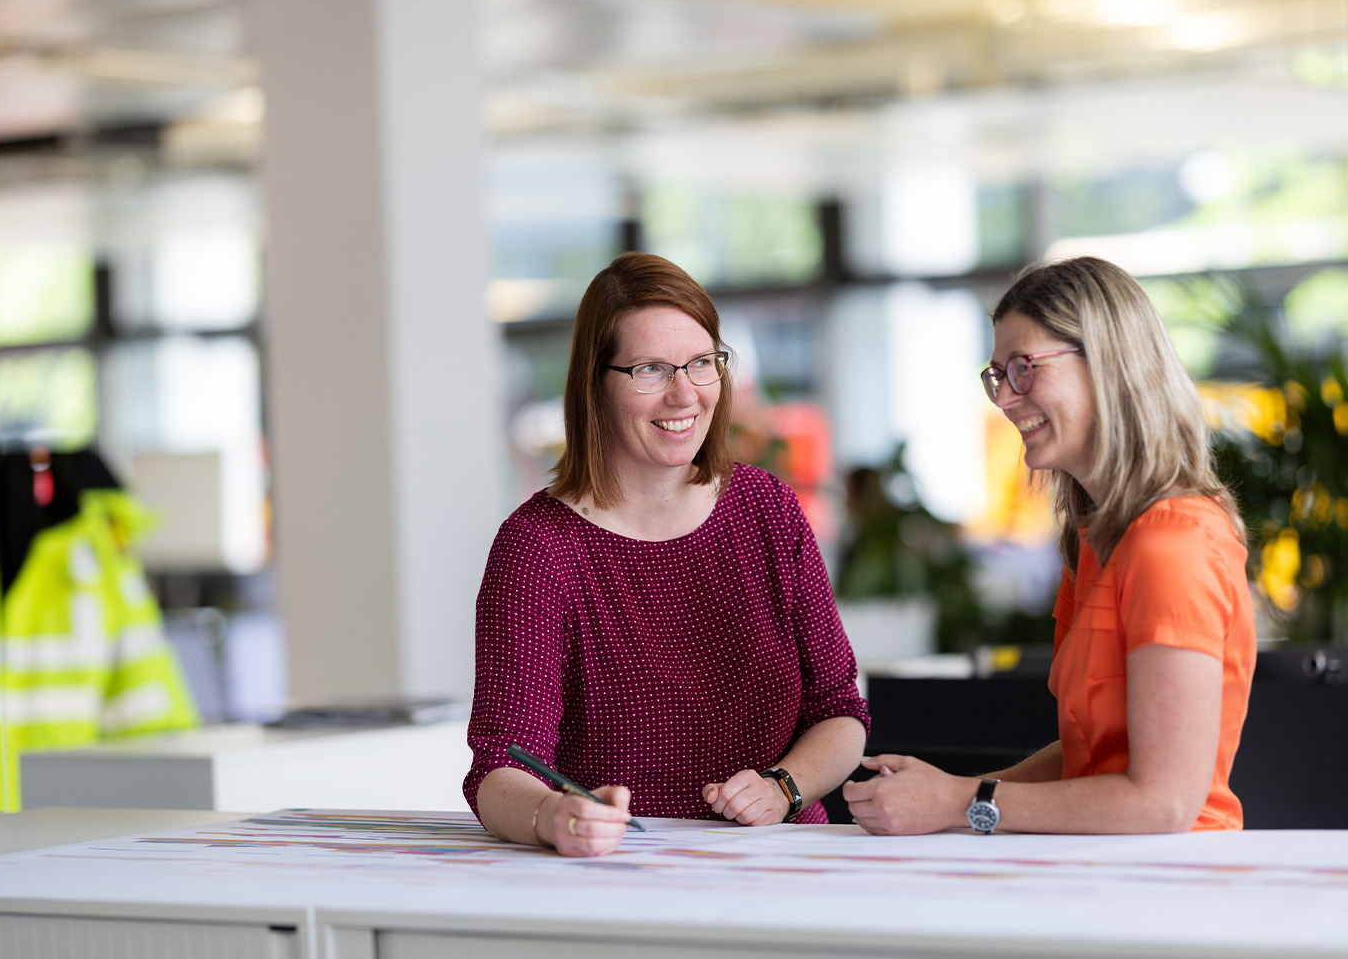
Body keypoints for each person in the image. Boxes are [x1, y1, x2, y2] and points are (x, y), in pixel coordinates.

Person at [465, 252, 869, 857]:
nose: (685, 395)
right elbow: (498, 770)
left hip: (786, 865)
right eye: (650, 369)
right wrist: (554, 814)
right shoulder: (539, 549)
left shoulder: (767, 510)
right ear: (594, 384)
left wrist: (785, 786)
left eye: (702, 363)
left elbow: (839, 712)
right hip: (623, 877)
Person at [845, 255, 1255, 835]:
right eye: (997, 376)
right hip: (1099, 872)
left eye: (1024, 368)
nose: (1006, 400)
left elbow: (1163, 803)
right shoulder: (1099, 539)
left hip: (1171, 887)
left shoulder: (1171, 543)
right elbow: (1088, 754)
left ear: (1108, 365)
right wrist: (949, 797)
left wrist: (959, 802)